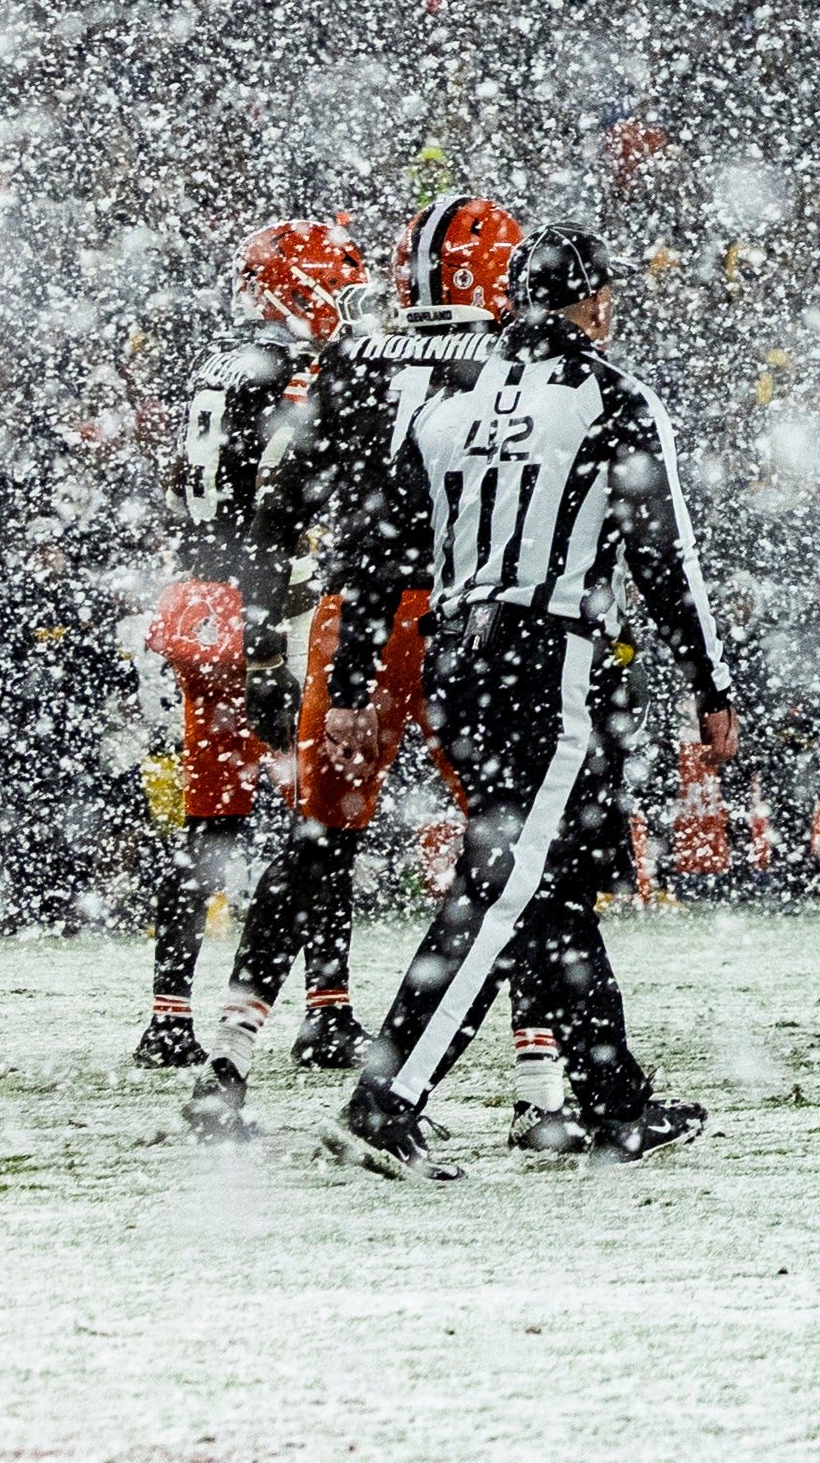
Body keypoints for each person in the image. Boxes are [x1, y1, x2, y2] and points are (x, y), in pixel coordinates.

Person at [324, 227, 740, 1178]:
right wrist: (710, 684)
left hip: (455, 657)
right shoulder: (614, 395)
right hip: (547, 651)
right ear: (593, 299)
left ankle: (612, 1102)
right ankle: (385, 1101)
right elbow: (664, 556)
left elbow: (378, 547)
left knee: (549, 887)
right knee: (510, 882)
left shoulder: (448, 393)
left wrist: (351, 681)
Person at [201, 194, 552, 1139]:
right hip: (466, 617)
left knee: (318, 838)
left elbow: (280, 496)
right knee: (510, 850)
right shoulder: (512, 361)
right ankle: (541, 1089)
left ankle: (225, 1063)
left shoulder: (355, 355)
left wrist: (281, 627)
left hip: (349, 612)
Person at [136, 219, 356, 1069]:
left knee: (211, 823)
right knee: (321, 815)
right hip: (265, 603)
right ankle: (326, 1006)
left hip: (199, 598)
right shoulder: (291, 370)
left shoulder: (218, 363)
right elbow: (281, 501)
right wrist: (271, 620)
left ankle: (166, 1013)